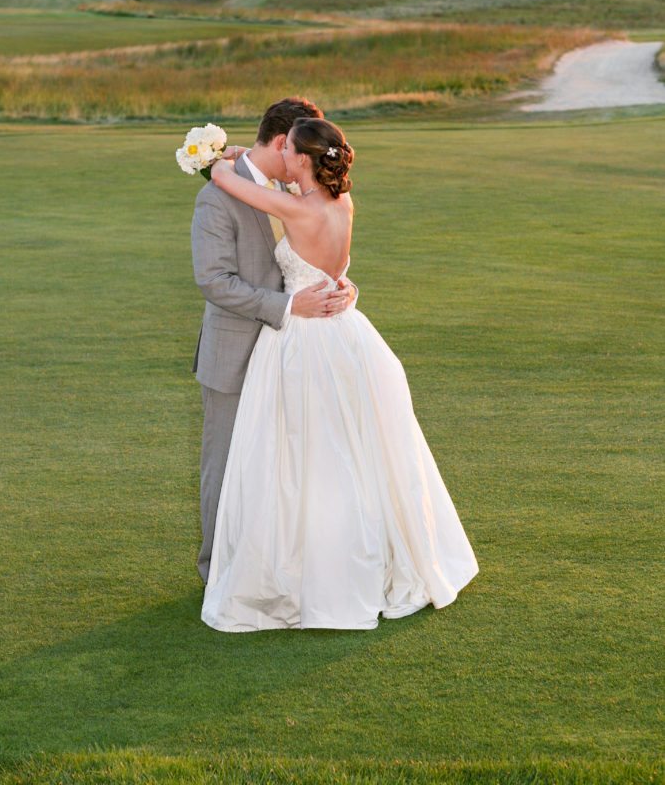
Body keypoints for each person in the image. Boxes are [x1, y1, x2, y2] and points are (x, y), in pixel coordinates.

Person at [201, 117, 479, 631]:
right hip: (347, 334)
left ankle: (307, 567)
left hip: (303, 341)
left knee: (302, 455)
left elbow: (223, 179)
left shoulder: (293, 205)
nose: (282, 158)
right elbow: (336, 269)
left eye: (289, 152)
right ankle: (365, 554)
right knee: (353, 450)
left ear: (302, 159)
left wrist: (216, 157)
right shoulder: (341, 203)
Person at [191, 98, 357, 586]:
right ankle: (218, 573)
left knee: (288, 466)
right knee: (225, 466)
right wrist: (289, 307)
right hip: (237, 354)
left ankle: (280, 565)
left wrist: (339, 285)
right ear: (286, 143)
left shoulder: (297, 183)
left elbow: (315, 248)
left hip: (297, 355)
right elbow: (214, 280)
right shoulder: (217, 197)